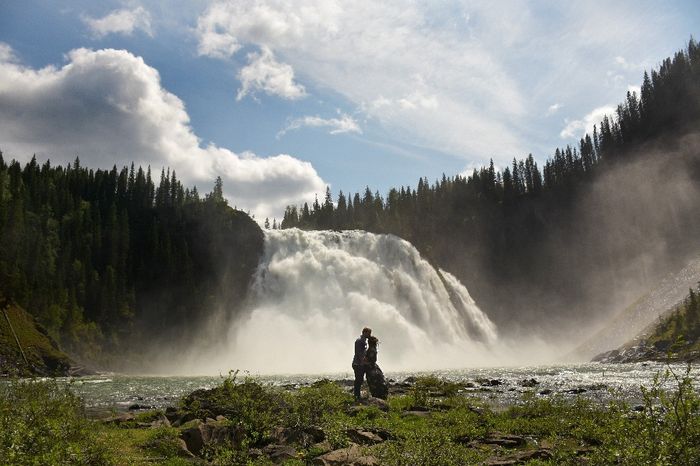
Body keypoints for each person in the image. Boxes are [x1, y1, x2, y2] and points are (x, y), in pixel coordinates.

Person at [352, 327, 371, 400]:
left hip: (360, 363)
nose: (369, 335)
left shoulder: (363, 341)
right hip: (358, 364)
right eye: (369, 333)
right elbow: (359, 353)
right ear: (364, 332)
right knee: (358, 380)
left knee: (360, 380)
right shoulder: (360, 341)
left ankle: (357, 395)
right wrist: (363, 361)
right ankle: (356, 396)